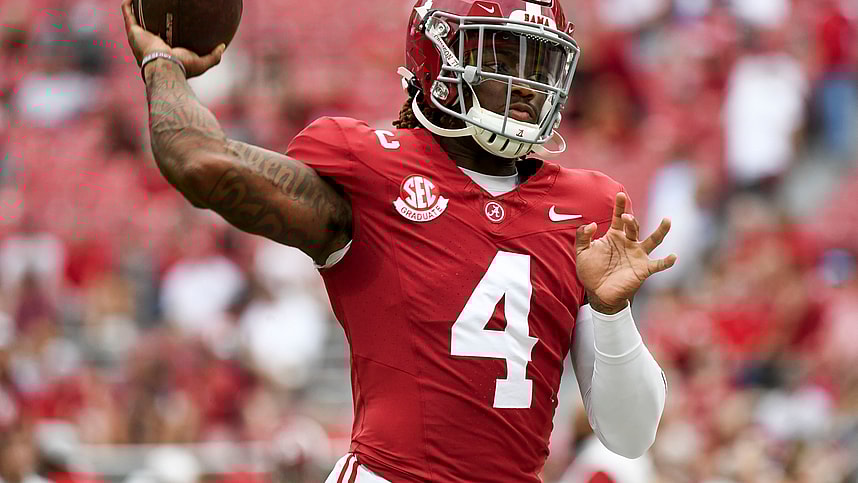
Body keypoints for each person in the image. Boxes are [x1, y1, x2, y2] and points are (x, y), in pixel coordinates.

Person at [120, 0, 676, 481]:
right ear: (439, 61)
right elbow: (199, 163)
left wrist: (610, 312)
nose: (527, 86)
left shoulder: (587, 209)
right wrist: (162, 65)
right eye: (502, 60)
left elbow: (630, 437)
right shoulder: (372, 170)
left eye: (539, 63)